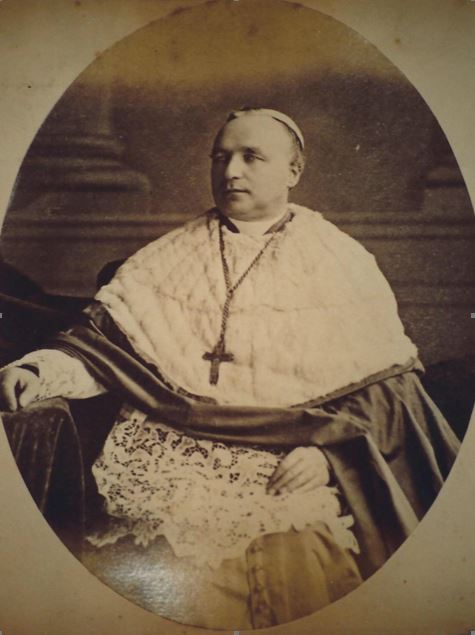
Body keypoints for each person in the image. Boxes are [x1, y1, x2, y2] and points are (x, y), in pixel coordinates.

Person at [0, 108, 459, 629]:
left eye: (251, 157)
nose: (231, 171)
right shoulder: (164, 258)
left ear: (293, 171)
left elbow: (386, 394)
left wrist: (329, 455)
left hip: (289, 459)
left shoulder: (342, 261)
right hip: (177, 454)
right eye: (220, 158)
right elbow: (104, 353)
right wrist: (38, 371)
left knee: (300, 558)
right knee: (179, 574)